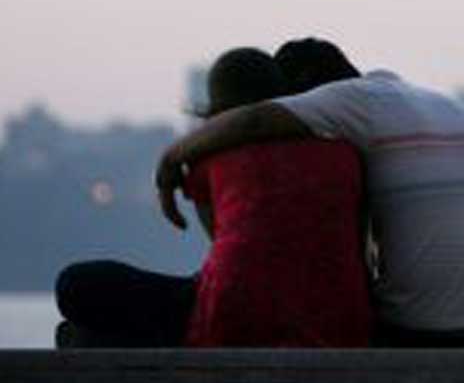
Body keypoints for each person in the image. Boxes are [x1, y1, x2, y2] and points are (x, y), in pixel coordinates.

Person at [156, 37, 464, 347]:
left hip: (426, 334)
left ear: (305, 94)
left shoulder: (348, 101)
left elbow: (255, 120)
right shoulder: (441, 104)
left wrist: (175, 157)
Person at [55, 47, 372, 347]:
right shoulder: (343, 156)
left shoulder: (208, 158)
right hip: (340, 325)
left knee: (75, 287)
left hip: (231, 318)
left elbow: (225, 246)